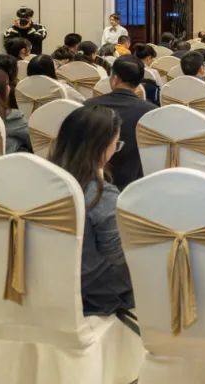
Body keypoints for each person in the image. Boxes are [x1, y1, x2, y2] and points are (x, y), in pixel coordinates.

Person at [48, 105, 134, 317]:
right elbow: (119, 258)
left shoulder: (41, 178)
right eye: (116, 144)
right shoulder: (100, 195)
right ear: (102, 147)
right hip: (93, 293)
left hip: (46, 279)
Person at [83, 56, 156, 190]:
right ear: (139, 82)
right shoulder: (151, 112)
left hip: (91, 183)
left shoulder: (88, 106)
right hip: (135, 185)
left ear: (115, 79)